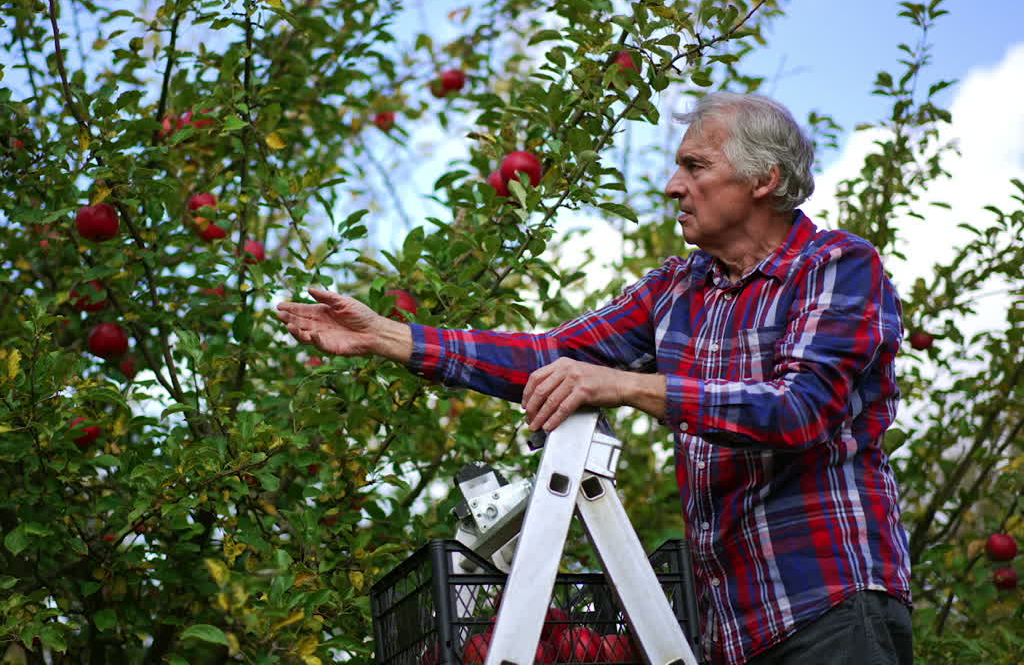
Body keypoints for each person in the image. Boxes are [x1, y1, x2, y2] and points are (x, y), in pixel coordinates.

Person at [276, 92, 912, 665]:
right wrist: (388, 336)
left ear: (763, 179)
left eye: (695, 167)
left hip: (828, 601)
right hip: (727, 629)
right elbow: (553, 354)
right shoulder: (677, 289)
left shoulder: (836, 266)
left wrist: (627, 386)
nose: (673, 185)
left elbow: (798, 412)